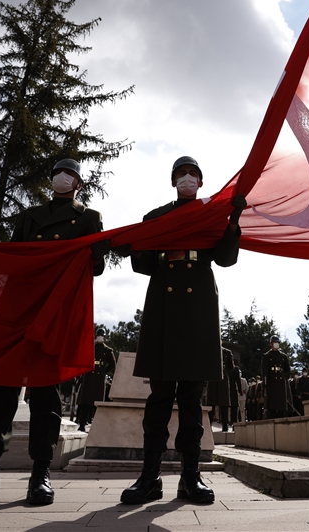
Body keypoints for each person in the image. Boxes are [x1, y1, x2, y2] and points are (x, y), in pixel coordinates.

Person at [0, 159, 109, 506]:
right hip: (17, 309)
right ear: (52, 181)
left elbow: (97, 268)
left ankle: (40, 475)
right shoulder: (29, 215)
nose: (65, 178)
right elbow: (14, 258)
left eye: (72, 174)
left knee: (45, 397)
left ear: (78, 183)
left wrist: (96, 250)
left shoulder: (89, 218)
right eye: (60, 173)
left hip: (52, 313)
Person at [119, 156, 245, 506]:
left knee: (192, 399)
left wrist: (233, 222)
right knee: (159, 398)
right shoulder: (156, 217)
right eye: (181, 174)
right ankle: (149, 477)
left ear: (201, 183)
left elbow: (225, 259)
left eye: (193, 174)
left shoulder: (211, 214)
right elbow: (143, 266)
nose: (187, 179)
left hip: (198, 307)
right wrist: (134, 244)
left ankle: (191, 476)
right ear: (172, 181)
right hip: (164, 303)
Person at [75, 328, 117, 431]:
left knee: (96, 402)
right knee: (84, 402)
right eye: (98, 335)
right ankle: (82, 424)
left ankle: (94, 424)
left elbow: (112, 364)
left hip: (99, 379)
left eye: (102, 335)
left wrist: (103, 371)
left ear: (105, 337)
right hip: (88, 377)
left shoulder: (108, 350)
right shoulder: (90, 348)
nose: (100, 337)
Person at [261, 335, 291, 419]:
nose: (276, 344)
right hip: (271, 382)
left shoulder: (283, 356)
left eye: (277, 342)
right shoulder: (266, 356)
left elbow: (287, 370)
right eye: (274, 342)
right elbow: (265, 371)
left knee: (281, 404)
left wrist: (284, 378)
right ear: (271, 344)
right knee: (272, 404)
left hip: (281, 382)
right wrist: (265, 382)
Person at [206, 346, 234, 432]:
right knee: (211, 405)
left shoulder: (227, 352)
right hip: (212, 379)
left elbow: (231, 367)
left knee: (224, 404)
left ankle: (224, 426)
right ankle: (208, 425)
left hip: (223, 379)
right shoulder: (210, 350)